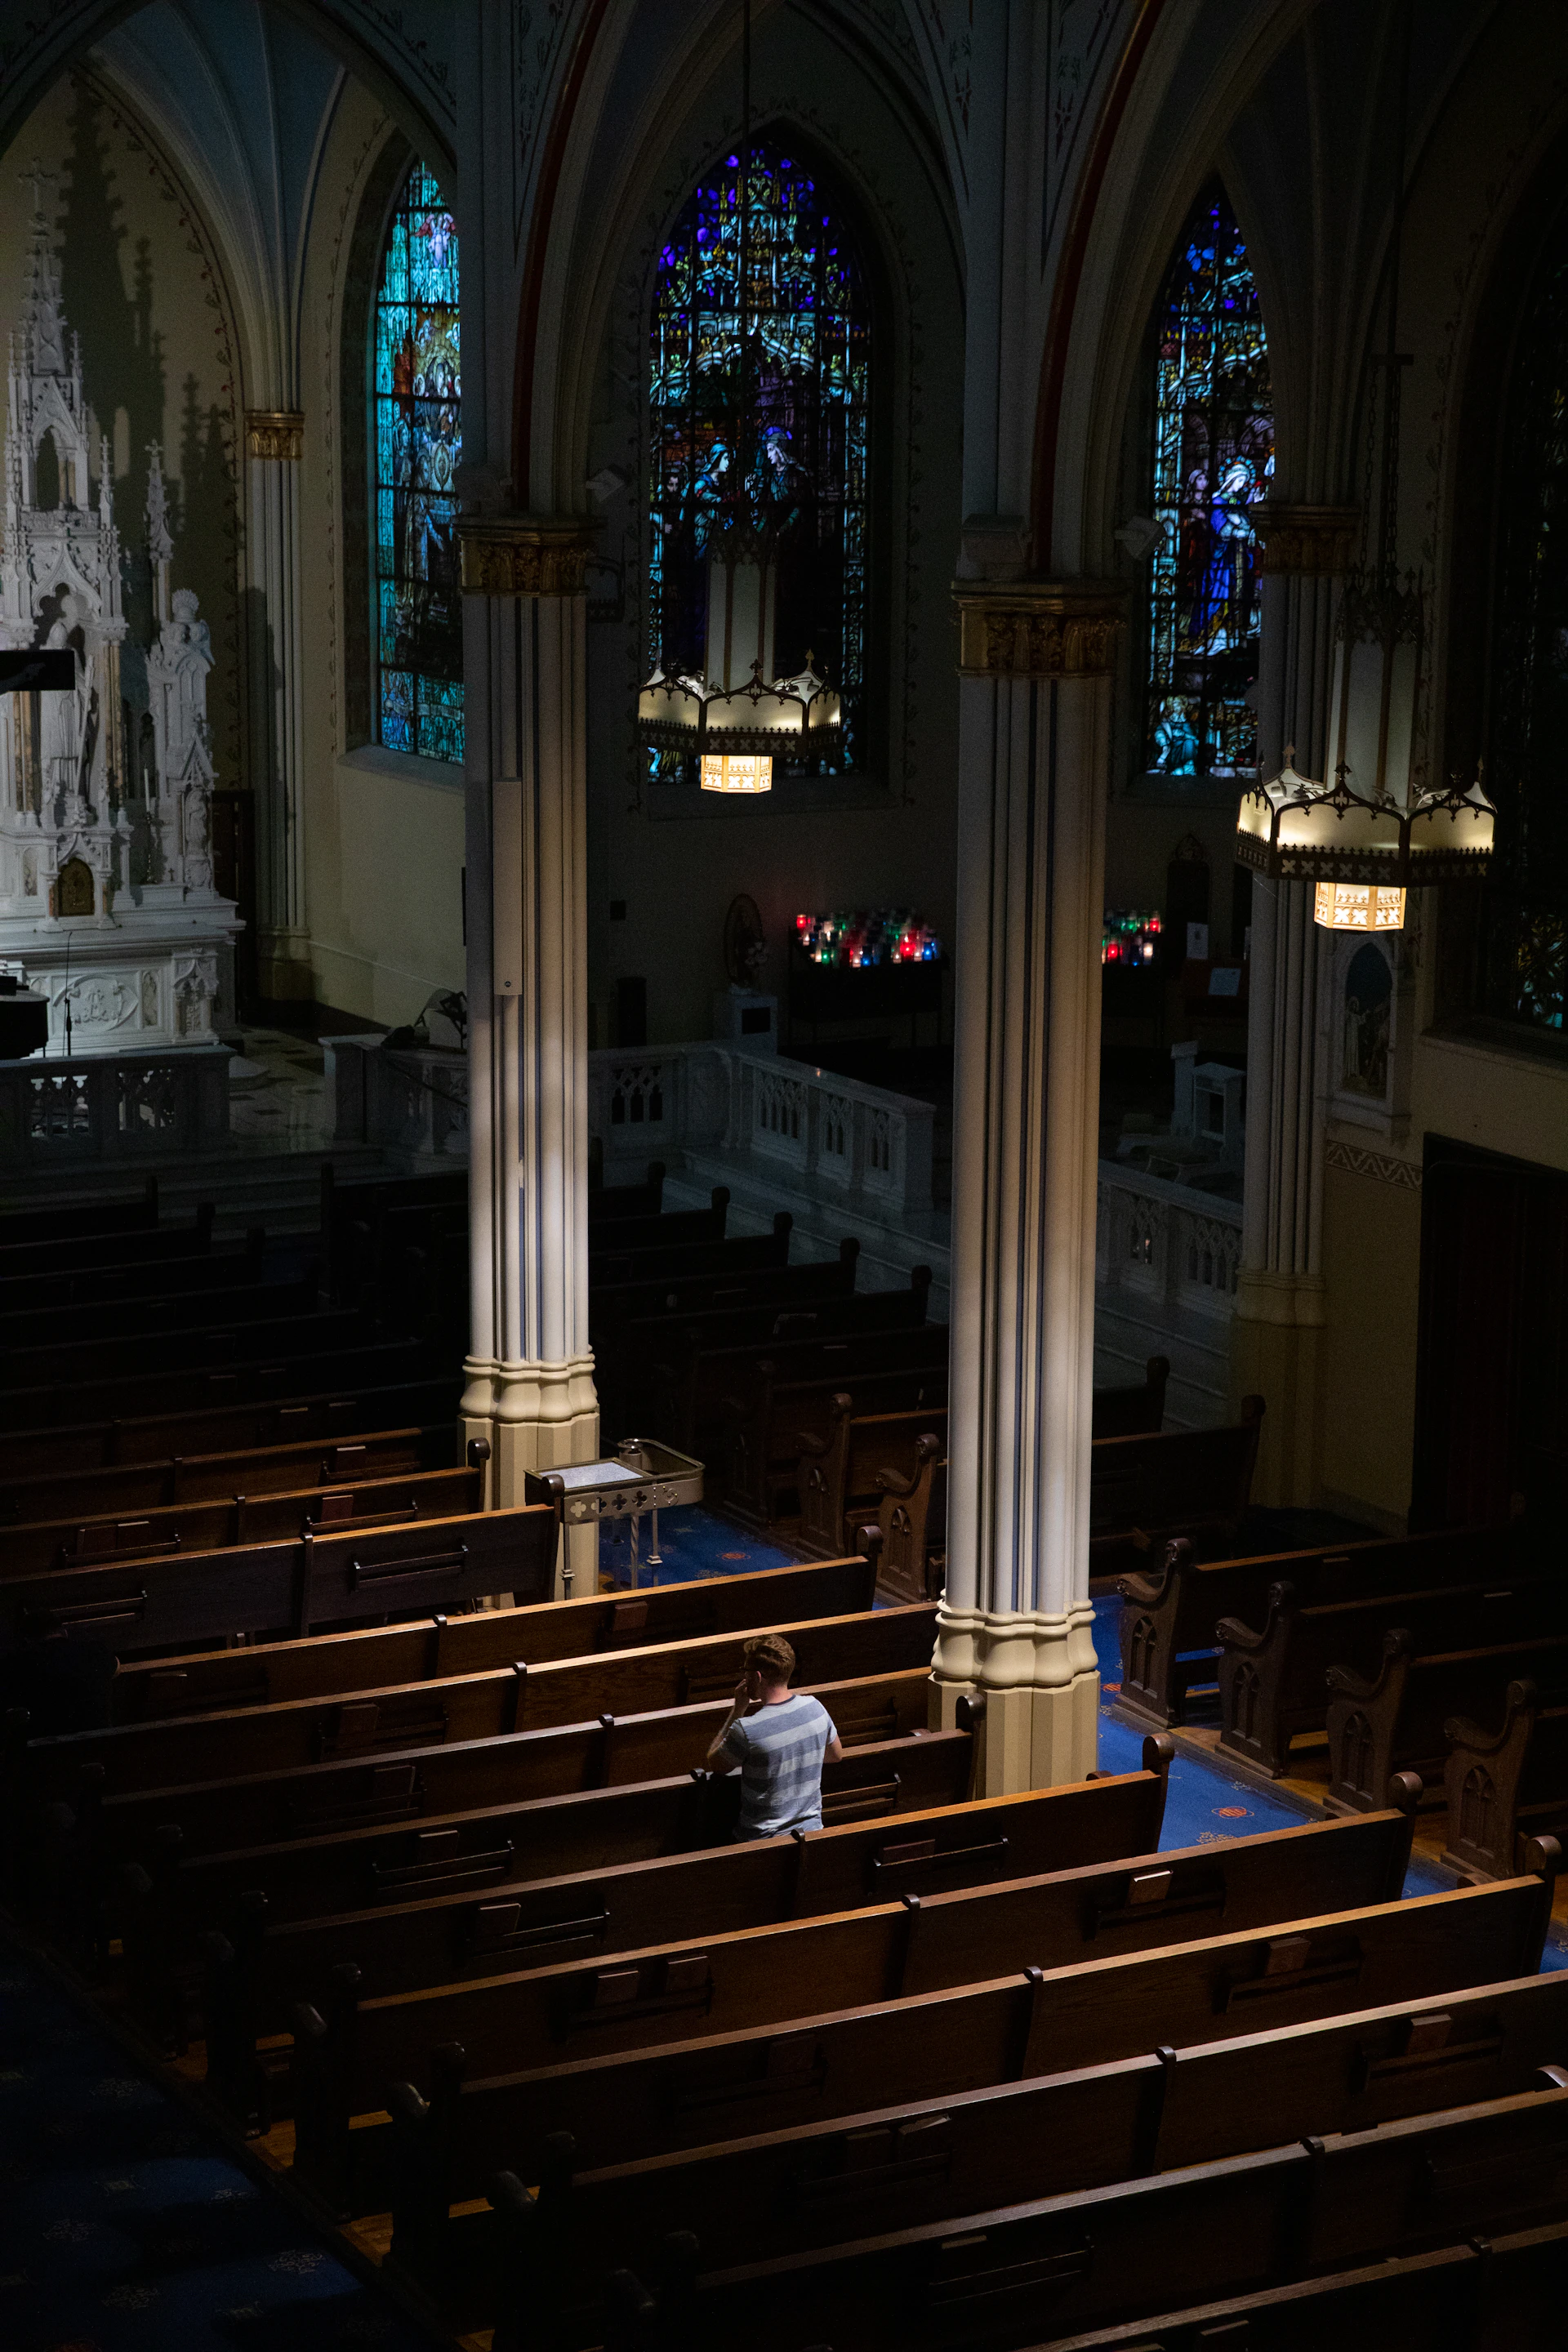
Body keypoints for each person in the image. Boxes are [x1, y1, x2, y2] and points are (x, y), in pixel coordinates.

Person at [705, 1631, 842, 1838]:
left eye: (746, 1671)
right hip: (812, 1835)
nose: (744, 1676)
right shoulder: (816, 1708)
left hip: (762, 1843)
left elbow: (715, 1764)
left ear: (757, 1677)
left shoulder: (747, 1729)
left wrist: (738, 1709)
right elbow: (835, 1755)